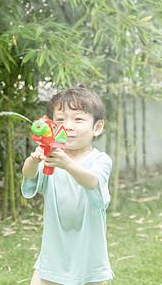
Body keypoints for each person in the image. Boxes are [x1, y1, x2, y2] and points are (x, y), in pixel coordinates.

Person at [21, 86, 114, 285]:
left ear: (97, 127)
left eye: (78, 119)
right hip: (53, 250)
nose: (68, 126)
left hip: (89, 251)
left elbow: (92, 181)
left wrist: (66, 164)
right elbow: (29, 176)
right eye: (60, 120)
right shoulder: (49, 159)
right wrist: (33, 160)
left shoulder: (100, 160)